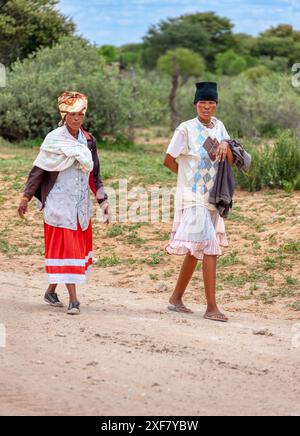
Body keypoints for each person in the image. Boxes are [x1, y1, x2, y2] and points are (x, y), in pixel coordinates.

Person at [18, 91, 110, 315]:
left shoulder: (88, 141)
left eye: (80, 114)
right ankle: (74, 300)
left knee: (72, 252)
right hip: (58, 204)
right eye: (72, 114)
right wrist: (25, 197)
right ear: (63, 115)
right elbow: (38, 171)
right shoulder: (54, 139)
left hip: (79, 205)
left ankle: (51, 291)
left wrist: (103, 201)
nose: (76, 119)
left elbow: (94, 175)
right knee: (68, 248)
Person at [164, 82, 234, 323]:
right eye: (202, 103)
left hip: (212, 197)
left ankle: (175, 299)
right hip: (192, 197)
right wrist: (187, 181)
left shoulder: (220, 127)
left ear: (215, 105)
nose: (207, 107)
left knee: (196, 250)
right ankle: (212, 307)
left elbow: (230, 160)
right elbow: (169, 160)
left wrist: (226, 144)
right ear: (195, 105)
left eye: (211, 103)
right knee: (209, 245)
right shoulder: (185, 129)